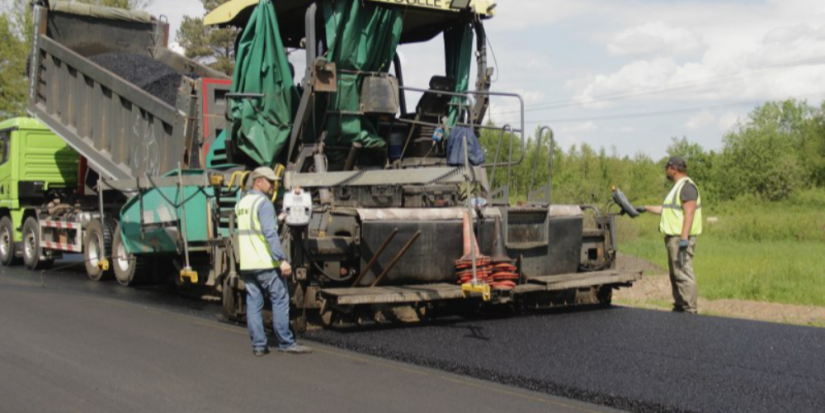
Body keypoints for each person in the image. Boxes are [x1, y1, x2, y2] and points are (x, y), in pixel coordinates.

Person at [235, 167, 312, 356]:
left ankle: (259, 346)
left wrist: (278, 219)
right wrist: (282, 260)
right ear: (258, 181)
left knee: (253, 303)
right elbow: (269, 234)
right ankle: (286, 342)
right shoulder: (264, 203)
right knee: (280, 299)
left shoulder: (242, 203)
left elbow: (255, 228)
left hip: (247, 263)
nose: (273, 185)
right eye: (269, 182)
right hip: (265, 262)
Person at [638, 156, 702, 314]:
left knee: (683, 273)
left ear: (673, 168)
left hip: (680, 239)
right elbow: (666, 210)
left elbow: (689, 212)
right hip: (673, 239)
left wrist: (684, 239)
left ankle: (689, 309)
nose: (665, 170)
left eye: (667, 167)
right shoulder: (678, 187)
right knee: (675, 274)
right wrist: (645, 208)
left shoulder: (687, 187)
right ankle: (680, 305)